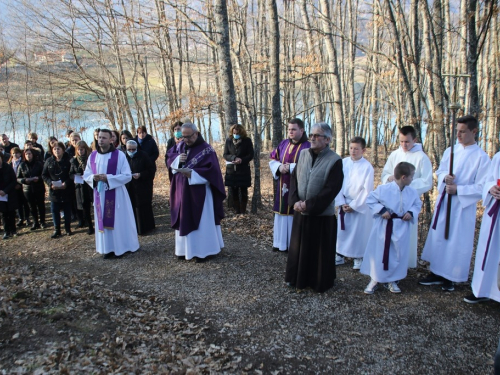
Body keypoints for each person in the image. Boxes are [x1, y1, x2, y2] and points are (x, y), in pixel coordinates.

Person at [419, 115, 491, 291]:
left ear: (474, 131)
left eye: (463, 132)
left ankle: (450, 276)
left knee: (456, 241)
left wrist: (459, 189)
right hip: (445, 203)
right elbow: (441, 170)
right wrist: (445, 177)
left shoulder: (481, 158)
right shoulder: (451, 151)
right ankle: (435, 272)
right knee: (440, 238)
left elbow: (482, 186)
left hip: (462, 207)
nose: (458, 135)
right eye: (457, 131)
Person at [285, 122, 343, 293]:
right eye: (311, 135)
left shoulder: (335, 160)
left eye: (317, 135)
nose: (312, 138)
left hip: (321, 216)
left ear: (327, 139)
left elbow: (331, 189)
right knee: (299, 249)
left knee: (319, 253)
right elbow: (294, 179)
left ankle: (319, 282)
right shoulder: (303, 154)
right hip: (300, 213)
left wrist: (308, 205)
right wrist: (295, 201)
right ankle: (296, 279)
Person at [166, 123, 226, 262]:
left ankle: (204, 251)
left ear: (196, 133)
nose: (186, 140)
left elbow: (213, 172)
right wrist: (176, 160)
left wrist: (193, 174)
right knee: (183, 217)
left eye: (188, 136)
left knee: (202, 221)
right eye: (183, 136)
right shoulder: (180, 146)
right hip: (182, 190)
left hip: (199, 193)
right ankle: (183, 250)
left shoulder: (207, 149)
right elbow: (169, 156)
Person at [361, 162, 422, 294]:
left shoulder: (412, 192)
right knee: (380, 253)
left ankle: (393, 279)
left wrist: (411, 212)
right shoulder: (384, 189)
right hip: (385, 226)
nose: (413, 179)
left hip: (402, 227)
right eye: (412, 176)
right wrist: (382, 210)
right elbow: (370, 199)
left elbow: (417, 204)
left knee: (398, 254)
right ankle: (375, 279)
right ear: (404, 177)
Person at [381, 126, 433, 268]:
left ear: (414, 140)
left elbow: (427, 181)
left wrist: (406, 186)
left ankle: (404, 264)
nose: (404, 145)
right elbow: (385, 174)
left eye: (407, 142)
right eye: (401, 141)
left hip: (409, 202)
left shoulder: (421, 157)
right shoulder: (395, 155)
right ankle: (389, 262)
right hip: (392, 200)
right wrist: (390, 178)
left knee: (406, 237)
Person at [83, 129, 139, 258]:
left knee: (118, 221)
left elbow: (127, 176)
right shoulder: (92, 156)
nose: (101, 140)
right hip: (100, 194)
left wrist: (108, 178)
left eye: (104, 138)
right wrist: (93, 178)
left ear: (111, 140)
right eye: (99, 137)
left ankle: (121, 247)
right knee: (102, 219)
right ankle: (107, 249)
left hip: (117, 194)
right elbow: (86, 174)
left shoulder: (119, 155)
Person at [463, 151, 500, 304]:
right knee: (489, 250)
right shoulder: (498, 156)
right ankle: (483, 290)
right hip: (495, 213)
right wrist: (491, 188)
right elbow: (488, 180)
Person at [269, 118, 311, 252]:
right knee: (281, 211)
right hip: (282, 184)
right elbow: (273, 158)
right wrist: (279, 167)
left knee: (294, 212)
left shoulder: (308, 146)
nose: (290, 132)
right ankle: (280, 243)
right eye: (289, 129)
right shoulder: (283, 143)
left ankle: (293, 245)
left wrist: (292, 167)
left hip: (298, 185)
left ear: (301, 130)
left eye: (293, 129)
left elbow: (311, 166)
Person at [335, 137, 374, 269]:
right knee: (342, 231)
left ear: (363, 150)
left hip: (358, 204)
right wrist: (341, 202)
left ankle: (358, 256)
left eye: (356, 148)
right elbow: (337, 182)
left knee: (358, 232)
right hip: (344, 201)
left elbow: (367, 189)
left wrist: (354, 205)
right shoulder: (344, 162)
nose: (353, 151)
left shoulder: (367, 167)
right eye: (351, 148)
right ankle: (339, 254)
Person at [42, 141, 74, 238]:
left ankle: (68, 228)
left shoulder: (69, 160)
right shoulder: (48, 161)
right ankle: (57, 230)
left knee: (67, 210)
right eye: (54, 149)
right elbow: (44, 175)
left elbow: (72, 174)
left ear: (63, 150)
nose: (56, 151)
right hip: (54, 191)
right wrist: (50, 183)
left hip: (66, 189)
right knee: (55, 210)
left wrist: (66, 183)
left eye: (58, 149)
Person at [125, 140, 156, 235]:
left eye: (133, 149)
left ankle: (146, 228)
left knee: (142, 207)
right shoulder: (123, 156)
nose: (131, 151)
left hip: (142, 185)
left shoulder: (144, 155)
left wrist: (141, 174)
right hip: (129, 186)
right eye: (129, 149)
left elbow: (151, 170)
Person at [223, 124, 254, 214]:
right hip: (231, 170)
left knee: (244, 190)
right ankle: (237, 210)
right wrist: (233, 158)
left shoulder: (247, 141)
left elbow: (251, 154)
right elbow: (225, 154)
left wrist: (241, 160)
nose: (236, 134)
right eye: (234, 132)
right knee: (233, 191)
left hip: (243, 170)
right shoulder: (229, 141)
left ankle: (243, 210)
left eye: (237, 133)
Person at [16, 148, 46, 230]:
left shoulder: (39, 164)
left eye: (29, 154)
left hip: (39, 187)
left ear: (32, 155)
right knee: (31, 206)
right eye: (26, 154)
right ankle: (35, 222)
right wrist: (24, 180)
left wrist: (38, 178)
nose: (28, 155)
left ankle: (42, 222)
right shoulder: (22, 165)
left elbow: (44, 175)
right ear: (24, 156)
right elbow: (18, 178)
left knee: (41, 205)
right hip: (27, 189)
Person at [69, 140, 94, 235]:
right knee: (85, 207)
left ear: (86, 149)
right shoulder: (74, 161)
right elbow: (70, 174)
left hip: (91, 185)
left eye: (82, 149)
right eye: (78, 150)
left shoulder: (91, 158)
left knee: (95, 205)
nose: (80, 151)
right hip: (81, 187)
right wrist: (76, 176)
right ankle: (90, 227)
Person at [8, 147, 31, 227]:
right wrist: (14, 185)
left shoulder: (23, 162)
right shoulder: (10, 164)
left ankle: (27, 218)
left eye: (17, 153)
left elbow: (24, 174)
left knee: (25, 203)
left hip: (23, 185)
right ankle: (21, 218)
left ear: (20, 153)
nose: (15, 155)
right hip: (13, 187)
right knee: (18, 204)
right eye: (13, 153)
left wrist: (20, 183)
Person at [0, 153, 19, 239]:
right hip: (0, 195)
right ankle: (6, 231)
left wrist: (5, 190)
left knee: (11, 212)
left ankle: (13, 230)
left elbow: (14, 181)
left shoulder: (8, 167)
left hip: (9, 193)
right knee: (3, 213)